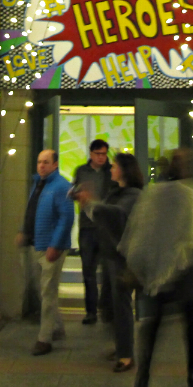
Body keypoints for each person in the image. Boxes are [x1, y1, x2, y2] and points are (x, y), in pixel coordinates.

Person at [119, 148, 193, 387]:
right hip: (185, 267)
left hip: (160, 268)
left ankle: (143, 376)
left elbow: (142, 229)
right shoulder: (187, 194)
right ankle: (192, 372)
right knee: (191, 323)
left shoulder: (153, 194)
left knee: (153, 325)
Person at [75, 151, 143, 373]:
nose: (111, 169)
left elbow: (116, 214)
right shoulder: (116, 192)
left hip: (122, 258)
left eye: (114, 165)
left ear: (124, 170)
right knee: (111, 305)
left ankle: (126, 355)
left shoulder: (133, 195)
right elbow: (102, 213)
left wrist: (91, 203)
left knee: (121, 305)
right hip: (110, 255)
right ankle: (122, 345)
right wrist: (88, 204)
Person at [16, 149, 75, 355]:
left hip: (51, 248)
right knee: (43, 291)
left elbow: (66, 218)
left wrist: (56, 245)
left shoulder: (61, 187)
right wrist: (24, 232)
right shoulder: (38, 184)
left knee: (47, 292)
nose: (41, 165)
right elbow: (32, 211)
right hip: (36, 244)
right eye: (39, 162)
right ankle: (56, 328)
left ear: (55, 164)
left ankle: (44, 339)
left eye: (46, 162)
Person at [73, 138, 117, 325]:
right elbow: (73, 191)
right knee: (88, 270)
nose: (101, 158)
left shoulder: (111, 172)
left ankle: (107, 309)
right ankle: (91, 311)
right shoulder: (81, 171)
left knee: (109, 270)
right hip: (87, 226)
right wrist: (80, 195)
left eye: (104, 154)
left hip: (106, 226)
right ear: (91, 154)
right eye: (98, 154)